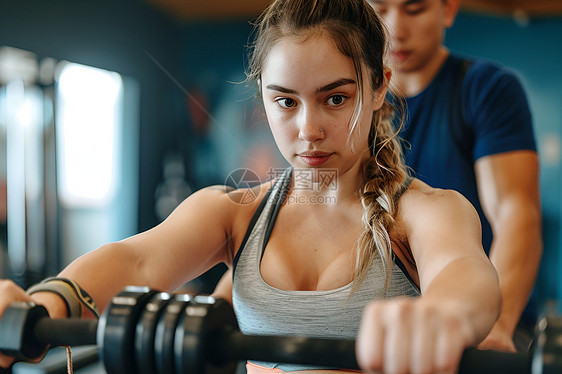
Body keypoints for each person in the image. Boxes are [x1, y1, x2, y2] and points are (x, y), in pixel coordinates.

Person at [0, 1, 501, 373]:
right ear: (264, 98)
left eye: (335, 99)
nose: (308, 129)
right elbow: (136, 260)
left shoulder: (426, 211)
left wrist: (443, 315)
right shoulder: (235, 213)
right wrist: (44, 304)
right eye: (286, 102)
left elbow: (464, 272)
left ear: (378, 87)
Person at [364, 0, 542, 353]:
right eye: (380, 11)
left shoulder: (486, 89)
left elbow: (515, 214)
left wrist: (498, 324)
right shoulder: (350, 104)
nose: (395, 31)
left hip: (479, 317)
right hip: (384, 321)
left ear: (447, 10)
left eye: (414, 9)